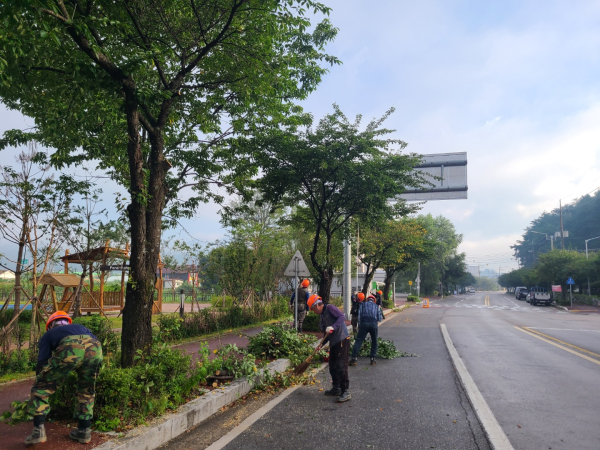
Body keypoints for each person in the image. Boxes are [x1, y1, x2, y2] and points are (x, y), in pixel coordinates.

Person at [25, 311, 103, 445]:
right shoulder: (80, 327)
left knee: (40, 388)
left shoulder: (48, 334)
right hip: (95, 346)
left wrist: (41, 380)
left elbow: (42, 362)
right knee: (87, 389)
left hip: (70, 346)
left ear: (50, 325)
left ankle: (38, 431)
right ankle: (84, 431)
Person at [308, 294, 351, 403]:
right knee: (332, 365)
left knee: (341, 366)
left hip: (342, 339)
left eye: (312, 309)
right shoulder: (322, 316)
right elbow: (326, 333)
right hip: (334, 342)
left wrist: (333, 326)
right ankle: (336, 387)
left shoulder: (330, 308)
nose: (313, 311)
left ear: (317, 305)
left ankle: (345, 391)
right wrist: (321, 344)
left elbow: (341, 317)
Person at [349, 294, 383, 366]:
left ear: (367, 299)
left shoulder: (362, 305)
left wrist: (360, 325)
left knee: (359, 340)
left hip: (364, 323)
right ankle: (372, 359)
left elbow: (359, 316)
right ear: (374, 300)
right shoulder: (376, 306)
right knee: (374, 341)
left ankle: (354, 358)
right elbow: (380, 318)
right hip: (373, 324)